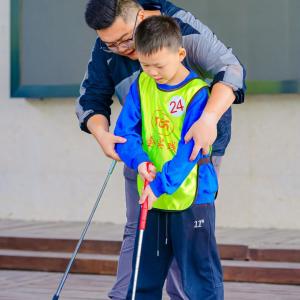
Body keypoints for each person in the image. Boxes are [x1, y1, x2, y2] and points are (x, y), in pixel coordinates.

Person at [77, 0, 246, 299]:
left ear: (140, 17)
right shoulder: (110, 47)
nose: (120, 49)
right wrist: (103, 134)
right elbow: (92, 98)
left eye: (126, 40)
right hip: (145, 152)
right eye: (110, 44)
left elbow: (230, 69)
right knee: (140, 230)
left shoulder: (182, 31)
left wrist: (207, 119)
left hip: (193, 149)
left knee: (186, 238)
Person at [114, 15, 223, 299]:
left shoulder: (197, 93)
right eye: (145, 65)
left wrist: (160, 184)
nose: (153, 72)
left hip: (192, 200)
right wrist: (139, 161)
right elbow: (125, 134)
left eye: (159, 65)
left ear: (181, 54)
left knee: (200, 280)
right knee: (143, 279)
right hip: (152, 198)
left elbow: (190, 152)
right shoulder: (142, 84)